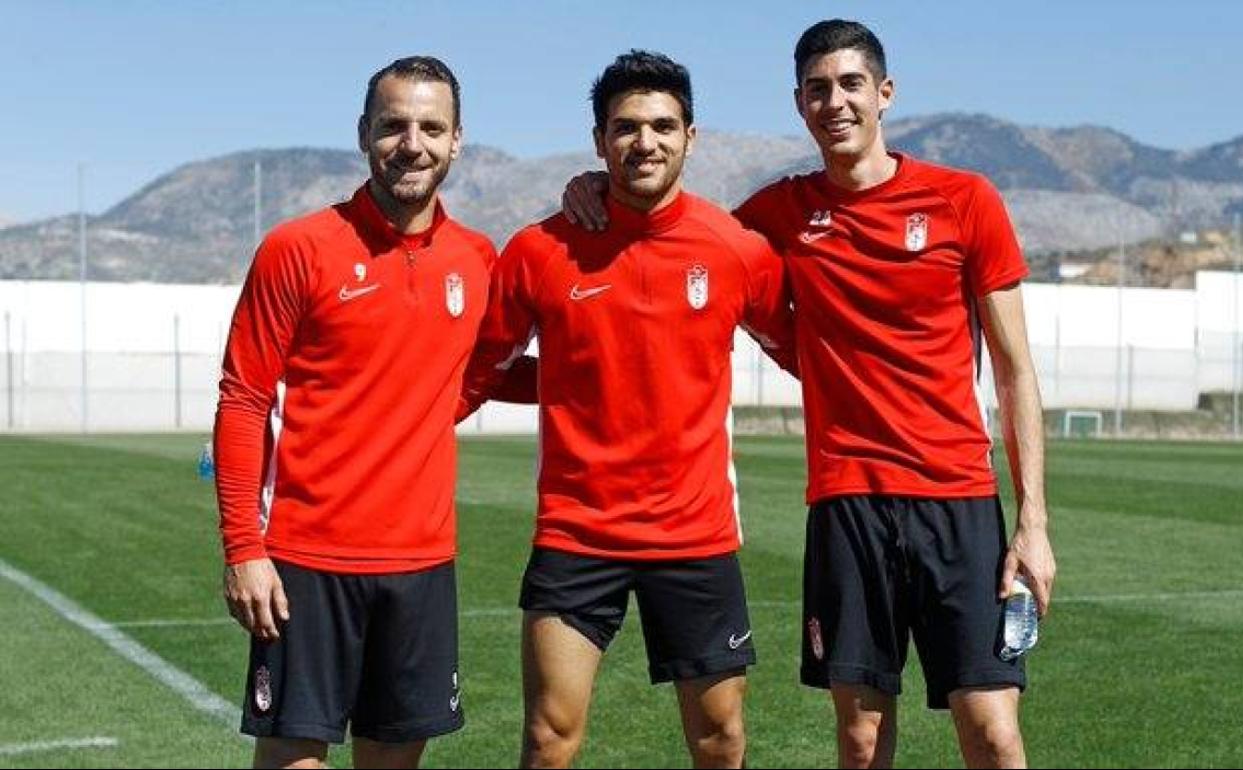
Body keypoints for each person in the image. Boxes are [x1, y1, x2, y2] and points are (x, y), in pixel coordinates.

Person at [562, 20, 1056, 769]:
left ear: (884, 93)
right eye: (818, 89)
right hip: (846, 502)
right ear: (799, 104)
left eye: (851, 84)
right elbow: (682, 235)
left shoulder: (966, 201)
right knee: (860, 739)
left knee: (992, 730)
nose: (836, 102)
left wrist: (1034, 525)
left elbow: (1017, 371)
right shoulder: (779, 215)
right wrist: (597, 186)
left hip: (957, 498)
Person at [459, 50, 797, 769]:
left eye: (663, 126)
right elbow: (475, 372)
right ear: (598, 140)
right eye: (626, 127)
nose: (645, 142)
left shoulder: (736, 250)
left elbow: (808, 355)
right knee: (549, 740)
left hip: (696, 535)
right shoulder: (540, 250)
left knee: (721, 740)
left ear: (691, 137)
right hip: (578, 533)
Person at [214, 56, 495, 769]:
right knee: (293, 756)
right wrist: (245, 549)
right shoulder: (298, 249)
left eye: (432, 127)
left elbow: (478, 373)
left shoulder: (478, 259)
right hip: (307, 559)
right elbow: (243, 398)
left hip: (424, 562)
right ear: (363, 133)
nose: (413, 143)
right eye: (394, 124)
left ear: (457, 139)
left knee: (396, 759)